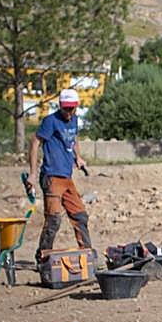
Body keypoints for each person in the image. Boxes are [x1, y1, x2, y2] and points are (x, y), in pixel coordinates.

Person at [28, 88, 92, 260]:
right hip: (51, 176)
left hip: (66, 176)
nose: (69, 112)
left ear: (77, 106)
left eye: (72, 108)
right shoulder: (50, 121)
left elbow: (74, 138)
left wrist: (78, 157)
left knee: (80, 216)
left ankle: (87, 256)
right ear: (60, 106)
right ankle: (42, 257)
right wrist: (33, 174)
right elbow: (35, 143)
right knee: (54, 220)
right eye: (66, 108)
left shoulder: (75, 120)